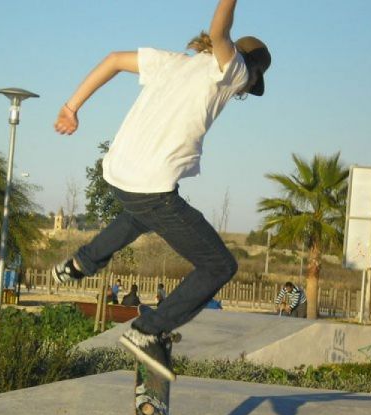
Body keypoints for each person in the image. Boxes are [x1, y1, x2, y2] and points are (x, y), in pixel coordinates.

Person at [51, 0, 270, 380]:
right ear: (249, 70)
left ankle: (81, 263)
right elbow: (220, 32)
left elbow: (114, 59)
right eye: (252, 86)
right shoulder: (231, 70)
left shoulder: (174, 62)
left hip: (119, 173)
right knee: (220, 265)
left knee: (140, 214)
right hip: (151, 185)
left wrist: (71, 107)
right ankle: (147, 331)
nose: (244, 92)